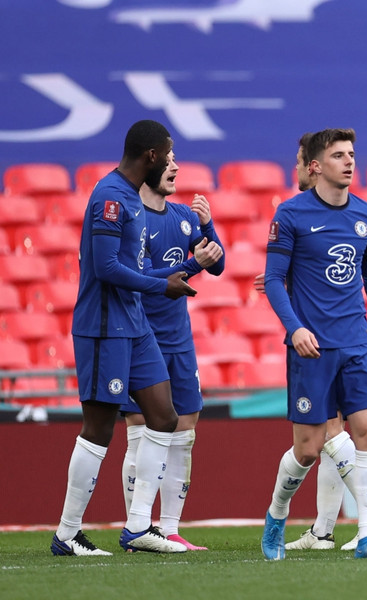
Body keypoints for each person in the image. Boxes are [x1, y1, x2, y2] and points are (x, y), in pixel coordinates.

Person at [51, 119, 197, 556]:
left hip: (134, 326)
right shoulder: (110, 199)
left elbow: (131, 269)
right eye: (167, 155)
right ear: (150, 156)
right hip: (103, 327)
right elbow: (106, 268)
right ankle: (66, 534)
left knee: (165, 416)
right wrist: (162, 285)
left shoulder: (131, 199)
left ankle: (138, 528)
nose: (172, 162)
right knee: (98, 429)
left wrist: (176, 274)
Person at [260, 128, 367, 560]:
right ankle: (276, 516)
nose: (349, 161)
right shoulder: (291, 215)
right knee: (307, 449)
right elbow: (272, 280)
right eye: (339, 155)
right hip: (312, 348)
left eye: (352, 154)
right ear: (316, 165)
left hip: (357, 344)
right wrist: (295, 328)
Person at [120, 150, 226, 551]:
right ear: (147, 166)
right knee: (140, 430)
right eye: (166, 160)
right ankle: (139, 527)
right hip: (138, 335)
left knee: (185, 429)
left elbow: (216, 263)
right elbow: (134, 276)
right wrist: (193, 264)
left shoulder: (182, 215)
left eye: (177, 159)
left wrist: (208, 226)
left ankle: (170, 527)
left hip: (178, 340)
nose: (176, 167)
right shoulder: (130, 217)